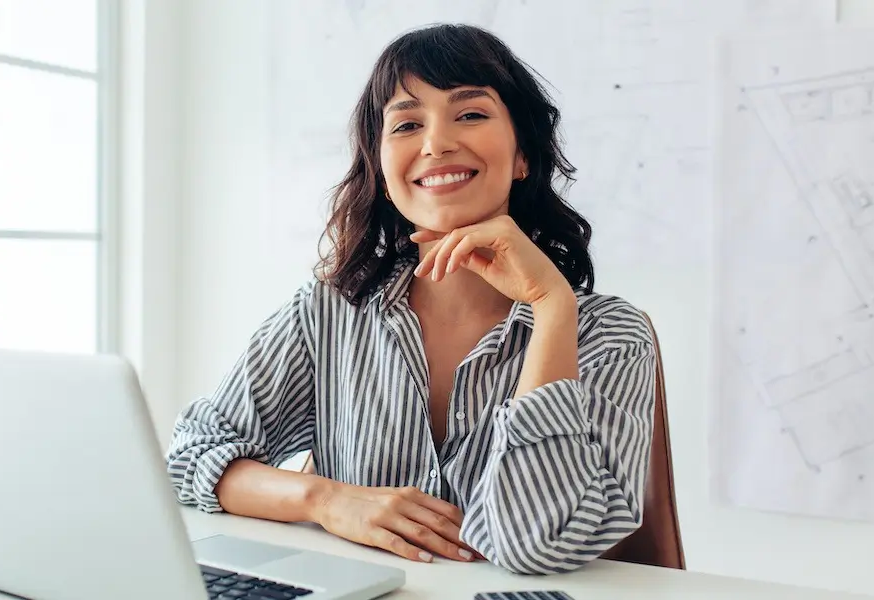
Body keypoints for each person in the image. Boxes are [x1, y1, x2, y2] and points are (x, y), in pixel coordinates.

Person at [166, 23, 656, 576]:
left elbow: (534, 544)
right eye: (406, 124)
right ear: (380, 168)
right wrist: (324, 500)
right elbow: (189, 458)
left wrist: (550, 306)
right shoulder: (327, 312)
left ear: (523, 154)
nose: (436, 143)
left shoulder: (610, 335)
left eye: (470, 114)